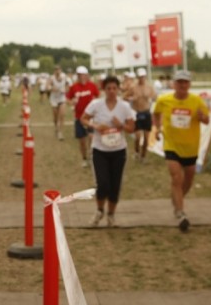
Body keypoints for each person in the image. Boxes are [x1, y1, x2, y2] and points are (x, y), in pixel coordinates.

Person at [152, 70, 209, 232]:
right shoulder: (164, 100)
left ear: (189, 84)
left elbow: (207, 120)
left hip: (191, 147)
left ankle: (177, 200)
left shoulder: (197, 101)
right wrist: (157, 128)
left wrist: (202, 117)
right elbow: (155, 113)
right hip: (172, 146)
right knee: (176, 178)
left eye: (185, 82)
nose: (182, 85)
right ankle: (181, 213)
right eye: (179, 82)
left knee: (188, 180)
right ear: (174, 84)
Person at [80, 76, 136, 227]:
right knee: (103, 183)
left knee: (115, 185)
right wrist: (95, 126)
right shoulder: (96, 104)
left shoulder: (124, 106)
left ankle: (111, 215)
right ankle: (99, 211)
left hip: (119, 150)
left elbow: (132, 128)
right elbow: (83, 119)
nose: (111, 91)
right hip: (100, 150)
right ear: (104, 90)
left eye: (114, 88)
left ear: (118, 89)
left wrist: (121, 125)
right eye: (108, 88)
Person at [66, 66, 100, 168]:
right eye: (79, 75)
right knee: (81, 141)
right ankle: (84, 159)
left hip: (90, 117)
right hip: (79, 117)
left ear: (87, 75)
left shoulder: (92, 86)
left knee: (91, 137)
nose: (81, 77)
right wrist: (72, 102)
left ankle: (91, 155)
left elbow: (98, 96)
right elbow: (68, 99)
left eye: (83, 75)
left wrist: (95, 101)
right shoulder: (74, 87)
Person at [128, 68, 157, 163]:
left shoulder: (149, 87)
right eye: (140, 77)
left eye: (143, 77)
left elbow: (155, 97)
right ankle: (136, 152)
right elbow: (125, 97)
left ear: (145, 77)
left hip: (146, 112)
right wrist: (132, 98)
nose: (142, 78)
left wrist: (151, 98)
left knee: (146, 137)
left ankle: (143, 156)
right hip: (137, 113)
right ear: (137, 77)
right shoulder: (133, 87)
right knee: (137, 136)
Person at [48, 65, 68, 140]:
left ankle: (60, 132)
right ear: (54, 71)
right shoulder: (52, 78)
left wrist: (65, 90)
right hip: (54, 98)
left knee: (62, 114)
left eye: (59, 69)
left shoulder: (64, 76)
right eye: (56, 70)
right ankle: (56, 127)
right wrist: (52, 88)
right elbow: (47, 86)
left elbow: (68, 85)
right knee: (55, 116)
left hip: (62, 97)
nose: (57, 71)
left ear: (61, 70)